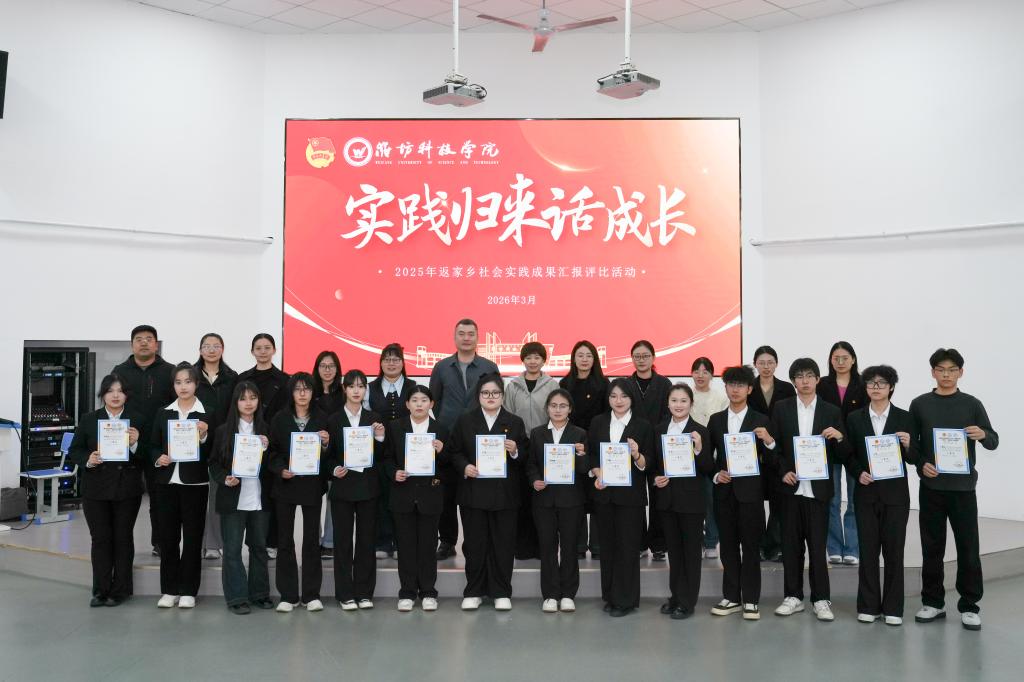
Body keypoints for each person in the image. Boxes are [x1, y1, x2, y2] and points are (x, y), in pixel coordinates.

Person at [910, 348, 998, 631]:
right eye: (941, 369)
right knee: (932, 548)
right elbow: (912, 448)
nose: (946, 375)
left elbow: (993, 440)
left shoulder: (972, 404)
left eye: (951, 370)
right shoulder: (920, 404)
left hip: (963, 489)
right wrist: (921, 465)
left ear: (961, 372)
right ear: (932, 372)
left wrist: (982, 434)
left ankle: (970, 606)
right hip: (932, 488)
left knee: (968, 548)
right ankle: (933, 602)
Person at [770, 358, 850, 623]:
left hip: (818, 491)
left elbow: (843, 452)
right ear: (793, 381)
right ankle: (793, 597)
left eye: (809, 376)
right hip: (791, 488)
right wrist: (783, 471)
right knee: (791, 548)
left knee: (817, 549)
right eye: (799, 376)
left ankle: (821, 599)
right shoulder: (781, 408)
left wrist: (839, 437)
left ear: (817, 379)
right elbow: (774, 447)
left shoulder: (831, 411)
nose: (804, 381)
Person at [447, 373, 529, 611]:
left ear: (502, 396)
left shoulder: (514, 422)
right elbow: (453, 451)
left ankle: (501, 591)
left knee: (503, 544)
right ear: (478, 396)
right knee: (475, 544)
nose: (490, 397)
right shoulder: (465, 421)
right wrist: (464, 466)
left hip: (505, 495)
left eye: (495, 393)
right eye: (485, 393)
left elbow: (525, 454)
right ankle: (474, 591)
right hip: (474, 492)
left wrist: (515, 451)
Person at [845, 365, 916, 625]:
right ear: (865, 387)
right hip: (865, 493)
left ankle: (893, 608)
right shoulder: (854, 418)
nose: (876, 388)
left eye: (881, 383)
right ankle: (868, 605)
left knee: (894, 552)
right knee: (868, 551)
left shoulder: (905, 417)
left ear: (891, 387)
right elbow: (848, 454)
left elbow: (914, 458)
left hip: (895, 496)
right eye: (871, 383)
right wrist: (858, 473)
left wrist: (909, 445)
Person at [68, 374, 143, 607]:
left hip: (127, 488)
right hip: (96, 489)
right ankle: (100, 590)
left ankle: (120, 590)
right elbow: (75, 450)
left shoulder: (138, 419)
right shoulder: (90, 419)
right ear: (103, 394)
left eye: (120, 391)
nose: (115, 395)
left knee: (123, 538)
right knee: (100, 539)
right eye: (110, 391)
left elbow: (149, 454)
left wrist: (135, 444)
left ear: (126, 395)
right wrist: (88, 459)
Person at [428, 319, 500, 560]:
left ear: (477, 337)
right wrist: (449, 422)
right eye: (462, 333)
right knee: (446, 495)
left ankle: (475, 542)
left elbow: (495, 398)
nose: (466, 338)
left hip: (479, 441)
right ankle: (447, 542)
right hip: (448, 440)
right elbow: (434, 400)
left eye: (471, 334)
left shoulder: (489, 366)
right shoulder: (441, 367)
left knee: (474, 496)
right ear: (454, 337)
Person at [706, 365, 773, 621]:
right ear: (725, 387)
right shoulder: (716, 420)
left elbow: (772, 460)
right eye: (731, 385)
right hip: (724, 493)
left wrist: (769, 441)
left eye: (740, 385)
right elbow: (707, 458)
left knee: (751, 547)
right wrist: (716, 474)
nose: (735, 390)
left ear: (750, 389)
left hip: (751, 494)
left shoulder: (761, 420)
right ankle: (732, 597)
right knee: (728, 547)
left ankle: (751, 599)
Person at [588, 378, 654, 617]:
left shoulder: (643, 426)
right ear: (608, 398)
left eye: (624, 396)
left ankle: (626, 600)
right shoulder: (598, 422)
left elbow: (648, 464)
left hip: (630, 499)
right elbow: (591, 455)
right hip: (604, 495)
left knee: (627, 549)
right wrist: (597, 473)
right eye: (614, 396)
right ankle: (610, 596)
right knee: (607, 548)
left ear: (632, 399)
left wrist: (636, 454)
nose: (619, 401)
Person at [207, 381, 275, 615]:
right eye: (243, 398)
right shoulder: (223, 431)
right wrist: (225, 478)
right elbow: (213, 463)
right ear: (235, 402)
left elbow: (274, 464)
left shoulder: (267, 430)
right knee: (232, 549)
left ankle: (260, 594)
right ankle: (236, 597)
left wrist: (267, 449)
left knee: (259, 547)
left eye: (253, 398)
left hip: (259, 499)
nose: (248, 403)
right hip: (232, 499)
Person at [381, 385, 449, 612]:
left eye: (424, 400)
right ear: (407, 404)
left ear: (431, 404)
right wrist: (394, 473)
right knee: (406, 546)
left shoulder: (441, 429)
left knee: (428, 546)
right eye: (415, 400)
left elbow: (448, 466)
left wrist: (442, 451)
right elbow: (387, 458)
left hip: (430, 496)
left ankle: (428, 592)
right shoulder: (395, 427)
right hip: (403, 494)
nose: (419, 404)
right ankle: (407, 592)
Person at [649, 383, 714, 620]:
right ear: (668, 403)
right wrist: (655, 478)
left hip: (692, 502)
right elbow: (653, 464)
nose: (678, 405)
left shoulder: (700, 431)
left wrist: (699, 449)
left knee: (691, 554)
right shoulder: (659, 430)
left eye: (683, 401)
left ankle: (687, 602)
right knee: (674, 553)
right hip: (667, 500)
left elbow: (708, 468)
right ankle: (676, 596)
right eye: (674, 400)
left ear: (691, 404)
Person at [149, 362, 212, 609]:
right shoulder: (163, 413)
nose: (183, 386)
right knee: (168, 538)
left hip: (195, 483)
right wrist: (159, 457)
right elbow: (153, 445)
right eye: (178, 382)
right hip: (166, 483)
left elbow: (215, 450)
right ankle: (169, 589)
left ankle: (188, 590)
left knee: (193, 539)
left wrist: (204, 436)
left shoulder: (208, 413)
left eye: (188, 381)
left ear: (196, 384)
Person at [267, 372, 330, 613]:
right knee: (285, 540)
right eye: (297, 389)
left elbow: (330, 455)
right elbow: (272, 452)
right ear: (291, 392)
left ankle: (311, 594)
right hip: (285, 485)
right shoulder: (279, 418)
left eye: (307, 389)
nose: (302, 394)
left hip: (312, 486)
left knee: (312, 540)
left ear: (313, 393)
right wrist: (280, 469)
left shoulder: (323, 418)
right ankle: (288, 594)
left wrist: (326, 444)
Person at [324, 369, 386, 611]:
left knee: (366, 541)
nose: (357, 390)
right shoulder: (333, 419)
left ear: (365, 390)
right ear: (345, 389)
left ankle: (364, 592)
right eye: (352, 386)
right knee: (342, 543)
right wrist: (334, 469)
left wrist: (380, 438)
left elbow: (383, 457)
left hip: (368, 488)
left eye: (361, 386)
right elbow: (327, 456)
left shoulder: (374, 419)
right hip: (342, 488)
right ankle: (345, 594)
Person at [112, 324, 175, 557]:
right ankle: (120, 542)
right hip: (126, 443)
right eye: (139, 339)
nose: (144, 342)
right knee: (124, 495)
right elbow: (111, 403)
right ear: (132, 345)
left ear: (156, 344)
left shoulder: (170, 371)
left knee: (159, 498)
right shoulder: (120, 371)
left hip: (158, 444)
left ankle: (160, 542)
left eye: (149, 339)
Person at [525, 389, 589, 613]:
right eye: (553, 405)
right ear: (547, 409)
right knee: (547, 548)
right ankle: (550, 594)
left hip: (571, 500)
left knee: (570, 548)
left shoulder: (580, 434)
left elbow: (585, 469)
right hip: (544, 499)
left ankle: (569, 594)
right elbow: (531, 464)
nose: (558, 410)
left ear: (570, 409)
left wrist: (581, 456)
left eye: (563, 406)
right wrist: (535, 480)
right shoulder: (537, 433)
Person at [238, 333, 290, 559]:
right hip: (247, 442)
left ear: (274, 350)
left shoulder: (285, 380)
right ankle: (252, 541)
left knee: (272, 493)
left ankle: (271, 542)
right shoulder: (243, 379)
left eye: (267, 347)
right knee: (248, 493)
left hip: (274, 442)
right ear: (252, 351)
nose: (262, 351)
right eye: (258, 347)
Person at [504, 341, 558, 561]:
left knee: (542, 498)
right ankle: (522, 547)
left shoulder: (552, 385)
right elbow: (507, 414)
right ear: (523, 360)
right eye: (528, 357)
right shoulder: (513, 386)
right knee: (522, 497)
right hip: (519, 445)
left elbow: (556, 413)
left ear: (543, 360)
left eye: (537, 357)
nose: (533, 361)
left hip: (544, 443)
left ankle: (542, 548)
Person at [817, 341, 867, 565]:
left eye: (845, 358)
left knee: (856, 502)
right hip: (829, 449)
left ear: (853, 360)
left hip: (856, 450)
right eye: (835, 358)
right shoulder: (822, 385)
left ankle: (853, 549)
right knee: (832, 500)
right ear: (830, 360)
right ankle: (834, 547)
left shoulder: (863, 384)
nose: (840, 362)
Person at [559, 339, 608, 560]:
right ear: (574, 359)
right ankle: (577, 546)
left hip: (597, 445)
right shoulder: (564, 383)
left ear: (595, 359)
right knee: (575, 496)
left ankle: (598, 546)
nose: (584, 359)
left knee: (598, 494)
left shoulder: (604, 384)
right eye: (580, 355)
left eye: (589, 355)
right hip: (572, 444)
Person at [366, 343, 415, 560]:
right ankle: (382, 542)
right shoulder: (370, 387)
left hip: (406, 452)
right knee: (381, 496)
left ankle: (400, 541)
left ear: (403, 363)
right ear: (381, 363)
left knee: (403, 497)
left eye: (396, 359)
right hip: (377, 451)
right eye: (387, 359)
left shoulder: (413, 386)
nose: (391, 363)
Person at [749, 345, 795, 561]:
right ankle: (758, 545)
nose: (766, 367)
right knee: (755, 502)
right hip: (753, 452)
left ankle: (775, 545)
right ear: (755, 364)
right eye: (761, 363)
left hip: (778, 450)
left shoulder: (786, 388)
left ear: (776, 364)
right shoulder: (749, 387)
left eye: (770, 362)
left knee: (779, 501)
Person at [195, 333, 238, 561]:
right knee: (194, 495)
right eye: (207, 346)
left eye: (216, 346)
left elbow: (235, 410)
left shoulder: (232, 377)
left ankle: (212, 543)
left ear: (223, 349)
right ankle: (195, 542)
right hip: (193, 442)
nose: (211, 350)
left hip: (221, 442)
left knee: (215, 494)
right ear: (200, 350)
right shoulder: (191, 376)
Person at [628, 340, 671, 561]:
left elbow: (669, 414)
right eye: (637, 356)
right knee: (635, 497)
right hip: (632, 447)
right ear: (632, 359)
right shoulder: (626, 384)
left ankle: (658, 544)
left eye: (645, 356)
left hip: (657, 445)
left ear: (653, 358)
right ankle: (639, 543)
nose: (641, 360)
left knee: (658, 496)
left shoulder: (664, 384)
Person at [690, 356, 728, 561]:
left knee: (711, 501)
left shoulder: (721, 398)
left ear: (712, 375)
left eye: (705, 371)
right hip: (688, 458)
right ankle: (695, 541)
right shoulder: (686, 395)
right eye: (697, 371)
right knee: (693, 502)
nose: (701, 375)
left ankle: (712, 541)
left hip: (711, 458)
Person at [310, 350, 343, 559]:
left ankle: (329, 542)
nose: (327, 370)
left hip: (335, 453)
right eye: (323, 365)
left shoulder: (344, 393)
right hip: (311, 454)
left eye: (331, 366)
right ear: (317, 368)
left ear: (337, 369)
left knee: (333, 499)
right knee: (313, 499)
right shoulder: (308, 391)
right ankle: (314, 539)